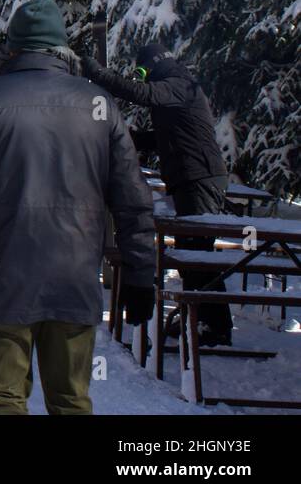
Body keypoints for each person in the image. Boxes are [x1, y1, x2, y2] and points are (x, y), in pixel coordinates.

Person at [0, 0, 155, 415]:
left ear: (13, 48)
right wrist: (140, 275)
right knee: (70, 400)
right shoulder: (99, 104)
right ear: (62, 48)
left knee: (2, 399)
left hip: (2, 278)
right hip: (74, 277)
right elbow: (133, 199)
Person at [80, 43, 233, 346]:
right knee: (194, 253)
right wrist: (129, 139)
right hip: (192, 178)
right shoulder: (176, 88)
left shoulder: (180, 84)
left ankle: (213, 326)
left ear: (153, 65)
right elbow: (163, 138)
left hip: (199, 178)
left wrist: (100, 75)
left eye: (142, 72)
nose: (142, 79)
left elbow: (143, 94)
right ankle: (202, 321)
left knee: (197, 255)